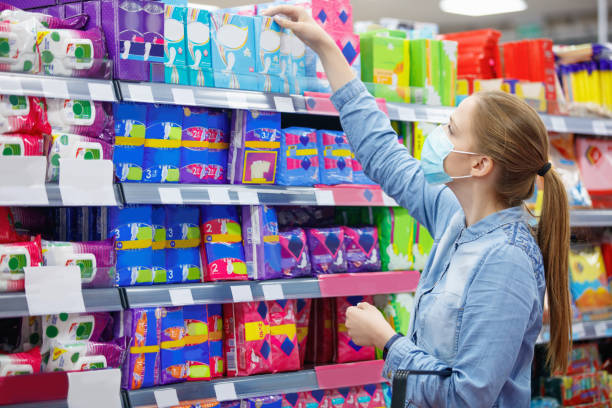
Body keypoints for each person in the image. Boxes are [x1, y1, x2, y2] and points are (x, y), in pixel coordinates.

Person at [263, 6, 571, 407]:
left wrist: (386, 341)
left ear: (480, 165)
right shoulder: (455, 216)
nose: (437, 134)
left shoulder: (506, 261)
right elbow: (382, 153)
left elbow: (467, 397)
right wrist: (326, 47)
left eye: (451, 129)